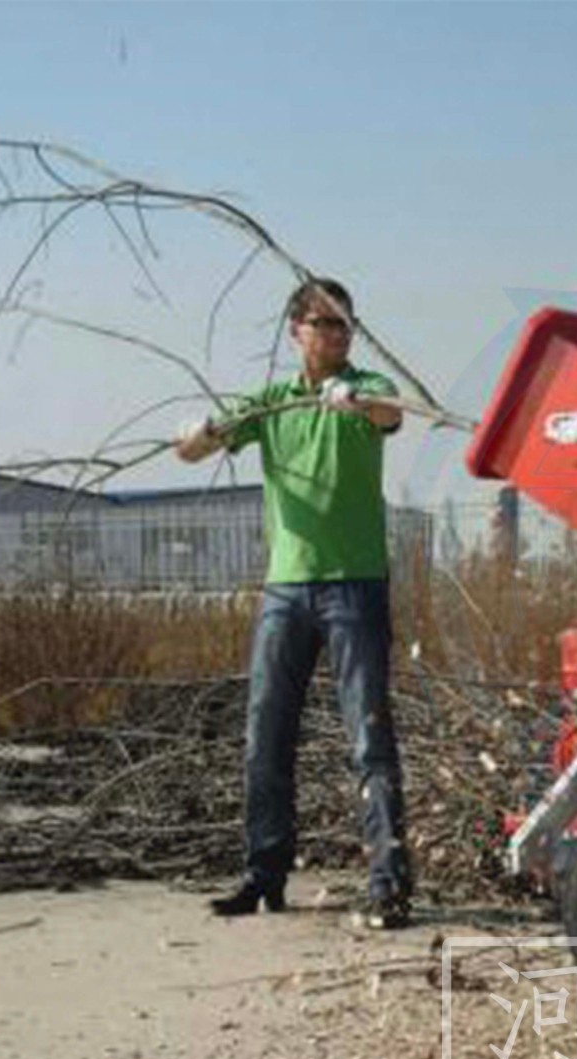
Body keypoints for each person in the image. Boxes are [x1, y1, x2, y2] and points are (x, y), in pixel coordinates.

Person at [175, 278, 414, 929]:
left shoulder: (364, 388)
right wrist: (198, 434)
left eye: (343, 324)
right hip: (286, 588)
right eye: (322, 323)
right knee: (266, 733)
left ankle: (389, 882)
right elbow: (193, 451)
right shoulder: (273, 403)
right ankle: (264, 875)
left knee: (368, 734)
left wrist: (354, 401)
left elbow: (392, 414)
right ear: (295, 331)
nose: (335, 334)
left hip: (355, 586)